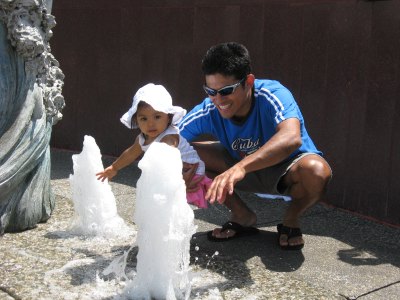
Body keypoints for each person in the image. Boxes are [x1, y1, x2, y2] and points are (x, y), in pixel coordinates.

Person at [178, 42, 332, 250]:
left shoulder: (273, 94)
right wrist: (179, 177)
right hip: (239, 166)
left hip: (286, 169)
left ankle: (291, 219)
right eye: (210, 91)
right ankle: (242, 216)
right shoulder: (208, 109)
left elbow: (291, 137)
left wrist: (240, 168)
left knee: (317, 171)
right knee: (180, 154)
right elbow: (168, 140)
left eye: (226, 91)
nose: (218, 99)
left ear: (248, 81)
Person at [96, 83, 212, 209]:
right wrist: (114, 167)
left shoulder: (169, 138)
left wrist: (179, 181)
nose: (150, 124)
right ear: (136, 121)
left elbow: (168, 155)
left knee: (173, 206)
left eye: (157, 117)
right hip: (174, 172)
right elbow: (131, 153)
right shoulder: (142, 138)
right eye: (144, 119)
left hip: (191, 172)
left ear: (168, 117)